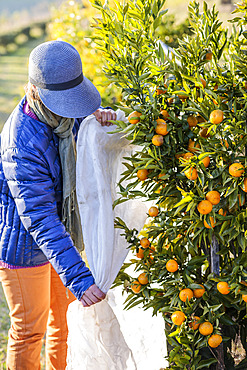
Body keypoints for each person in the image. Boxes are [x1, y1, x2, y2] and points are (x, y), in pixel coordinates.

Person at [0, 40, 117, 370]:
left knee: (63, 324)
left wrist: (97, 122)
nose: (71, 108)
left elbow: (79, 129)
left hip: (60, 240)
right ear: (36, 91)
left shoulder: (63, 117)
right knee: (28, 332)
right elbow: (39, 218)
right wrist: (79, 278)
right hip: (25, 247)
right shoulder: (21, 142)